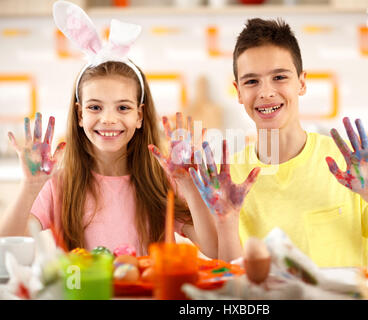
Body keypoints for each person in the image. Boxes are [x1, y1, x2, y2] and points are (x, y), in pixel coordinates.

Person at [191, 18, 368, 267]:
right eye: (251, 81)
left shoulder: (348, 166)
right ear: (238, 91)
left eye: (279, 77)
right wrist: (226, 220)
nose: (266, 92)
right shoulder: (229, 177)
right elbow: (233, 284)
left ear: (301, 83)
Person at [0, 1, 217, 257]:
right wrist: (29, 186)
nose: (108, 119)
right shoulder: (59, 184)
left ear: (140, 115)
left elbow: (213, 250)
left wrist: (190, 188)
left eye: (123, 108)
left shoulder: (164, 181)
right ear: (80, 115)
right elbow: (7, 250)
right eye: (95, 107)